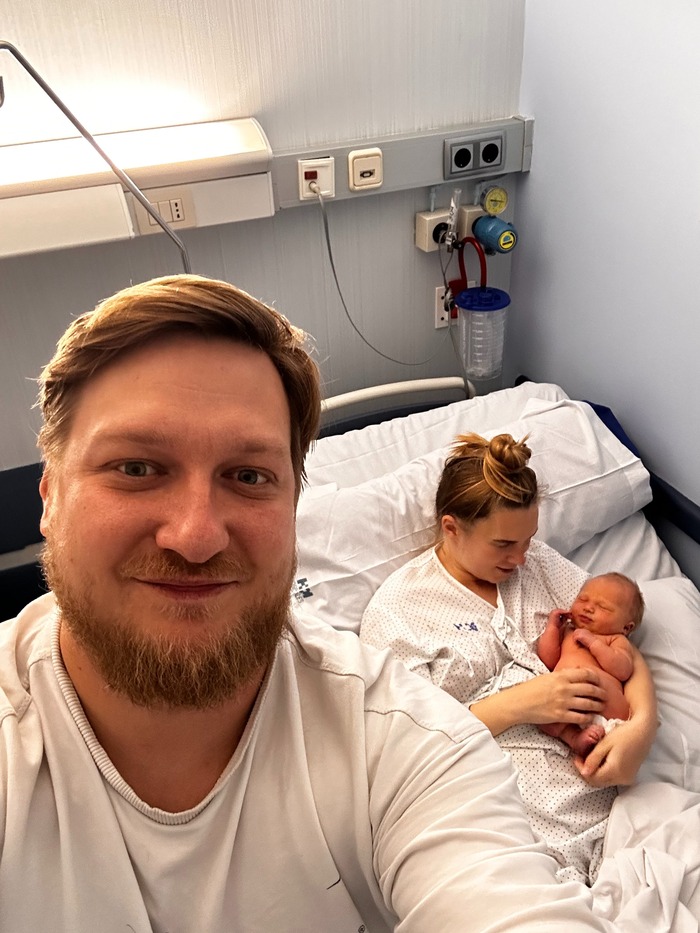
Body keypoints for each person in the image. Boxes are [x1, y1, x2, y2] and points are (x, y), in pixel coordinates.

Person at [0, 275, 607, 931]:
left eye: (248, 476)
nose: (197, 535)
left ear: (293, 507)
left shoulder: (402, 743)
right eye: (137, 468)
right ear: (50, 497)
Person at [360, 432, 657, 885]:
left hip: (614, 808)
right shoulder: (399, 610)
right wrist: (521, 703)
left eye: (528, 540)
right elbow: (403, 748)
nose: (520, 559)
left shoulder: (538, 564)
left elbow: (619, 640)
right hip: (508, 821)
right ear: (451, 527)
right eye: (503, 545)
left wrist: (641, 726)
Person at [537, 573, 644, 757]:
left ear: (626, 628)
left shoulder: (615, 639)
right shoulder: (568, 631)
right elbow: (548, 660)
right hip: (567, 702)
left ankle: (598, 742)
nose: (588, 608)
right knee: (541, 714)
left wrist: (593, 643)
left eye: (603, 607)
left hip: (604, 706)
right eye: (583, 599)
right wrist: (552, 628)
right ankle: (575, 739)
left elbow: (623, 670)